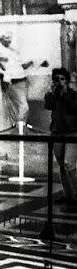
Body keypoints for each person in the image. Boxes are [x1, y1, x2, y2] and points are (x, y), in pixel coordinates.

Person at [44, 67, 77, 208]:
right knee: (62, 166)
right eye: (56, 79)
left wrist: (65, 93)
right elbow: (48, 106)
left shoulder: (73, 94)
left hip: (72, 132)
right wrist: (52, 92)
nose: (59, 81)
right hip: (57, 132)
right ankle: (67, 194)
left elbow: (74, 108)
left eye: (62, 79)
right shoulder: (53, 94)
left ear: (67, 81)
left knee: (69, 165)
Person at [0, 31, 33, 128]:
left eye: (9, 38)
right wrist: (4, 73)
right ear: (1, 39)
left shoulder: (14, 51)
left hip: (22, 79)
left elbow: (22, 65)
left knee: (21, 106)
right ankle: (20, 127)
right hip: (12, 80)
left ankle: (20, 127)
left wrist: (33, 62)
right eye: (6, 38)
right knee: (23, 106)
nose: (9, 40)